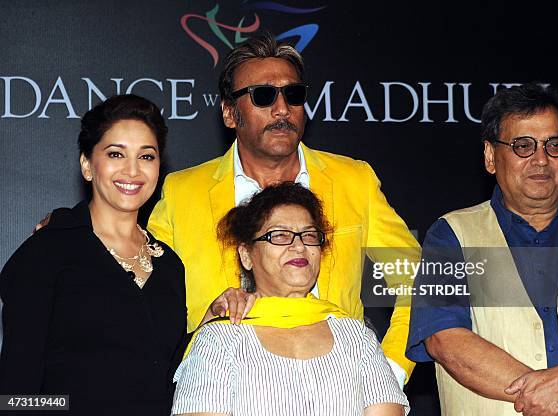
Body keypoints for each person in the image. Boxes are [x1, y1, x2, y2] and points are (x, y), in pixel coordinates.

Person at [148, 32, 420, 386]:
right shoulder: (184, 191)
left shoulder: (355, 180)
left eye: (293, 95)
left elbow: (421, 277)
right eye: (262, 96)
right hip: (223, 389)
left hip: (340, 388)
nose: (282, 109)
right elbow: (144, 296)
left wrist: (389, 372)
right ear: (230, 113)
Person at [407, 83, 558, 415]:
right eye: (523, 146)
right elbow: (444, 339)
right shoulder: (450, 236)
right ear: (491, 156)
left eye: (554, 145)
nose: (542, 160)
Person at [0, 95, 187, 415]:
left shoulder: (169, 264)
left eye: (147, 156)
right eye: (116, 154)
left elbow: (171, 377)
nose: (133, 170)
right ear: (87, 164)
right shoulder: (46, 253)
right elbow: (15, 397)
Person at [172, 182, 410, 416]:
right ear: (246, 255)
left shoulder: (355, 336)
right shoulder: (220, 340)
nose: (299, 246)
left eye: (308, 235)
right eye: (280, 236)